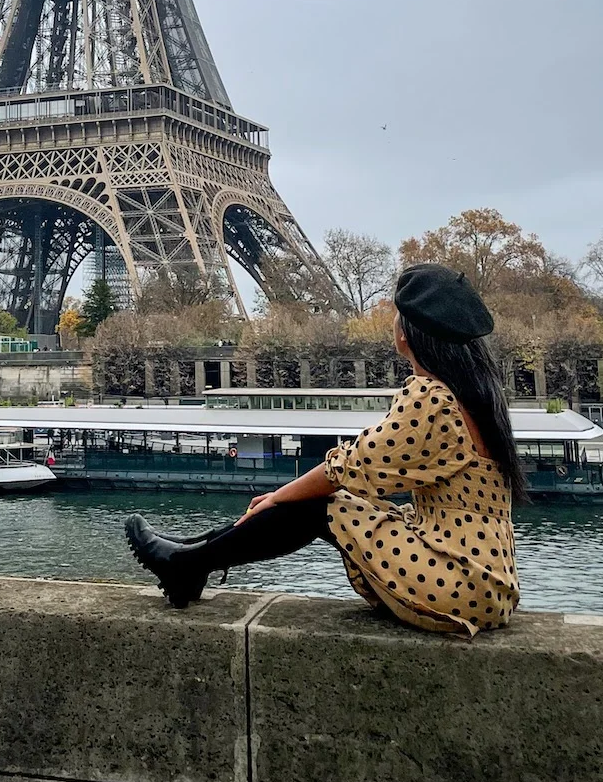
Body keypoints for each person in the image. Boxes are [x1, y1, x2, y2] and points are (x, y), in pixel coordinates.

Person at [124, 263, 525, 637]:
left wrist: (277, 497)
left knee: (321, 502)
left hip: (457, 581)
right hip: (489, 580)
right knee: (328, 499)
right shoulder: (477, 396)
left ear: (408, 331)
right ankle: (192, 556)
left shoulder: (432, 399)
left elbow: (350, 467)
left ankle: (186, 563)